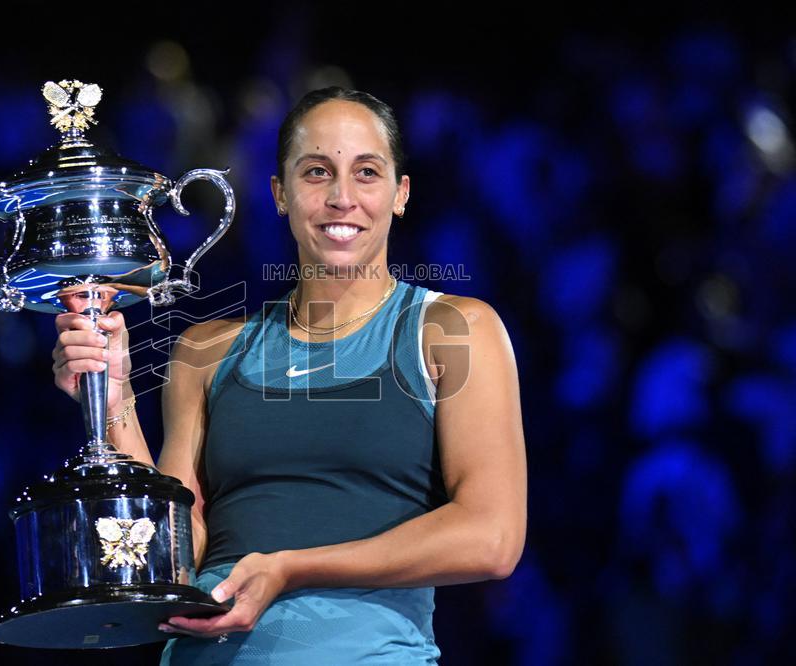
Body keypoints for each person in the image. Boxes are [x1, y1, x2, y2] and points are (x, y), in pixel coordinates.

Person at [51, 87, 528, 663]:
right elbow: (174, 556)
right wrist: (112, 397)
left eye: (367, 173)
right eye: (317, 173)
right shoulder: (204, 351)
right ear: (280, 193)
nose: (342, 197)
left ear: (401, 193)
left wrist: (292, 568)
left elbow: (492, 538)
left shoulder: (452, 330)